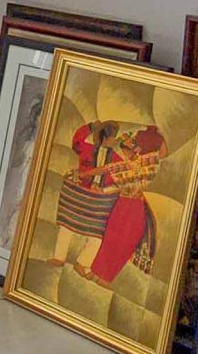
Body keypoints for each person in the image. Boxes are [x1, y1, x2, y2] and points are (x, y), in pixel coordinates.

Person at [50, 119, 167, 286]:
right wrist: (90, 127)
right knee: (69, 227)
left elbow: (109, 174)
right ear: (105, 138)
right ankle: (60, 258)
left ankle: (85, 265)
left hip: (109, 202)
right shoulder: (89, 149)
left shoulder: (122, 160)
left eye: (128, 147)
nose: (117, 144)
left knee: (99, 236)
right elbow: (78, 143)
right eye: (113, 138)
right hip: (86, 195)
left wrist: (158, 133)